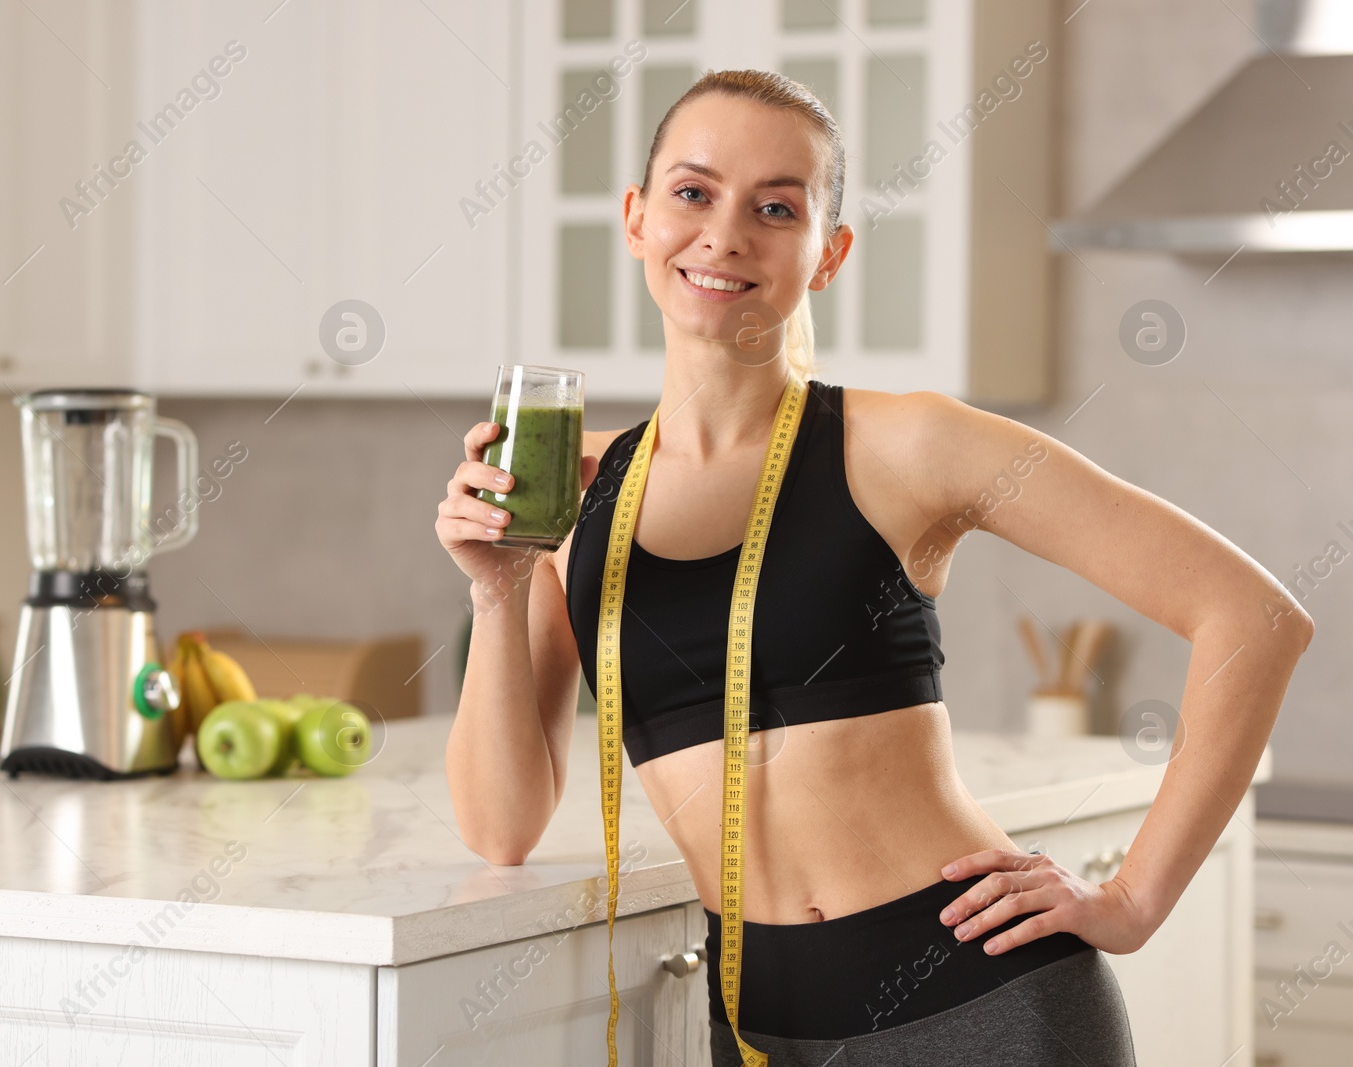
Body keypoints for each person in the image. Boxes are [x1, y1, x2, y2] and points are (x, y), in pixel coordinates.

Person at [436, 68, 1313, 1066]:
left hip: (977, 1007)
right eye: (692, 192)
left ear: (828, 254)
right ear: (636, 219)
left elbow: (1254, 616)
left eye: (776, 207)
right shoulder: (576, 491)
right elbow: (500, 825)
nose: (724, 233)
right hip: (749, 1022)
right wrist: (495, 587)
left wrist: (1132, 898)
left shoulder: (904, 444)